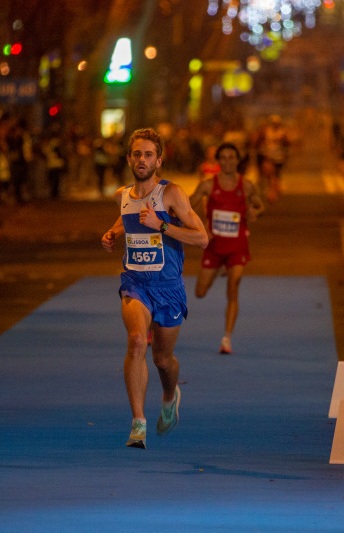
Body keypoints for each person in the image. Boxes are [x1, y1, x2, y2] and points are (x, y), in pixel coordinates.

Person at [101, 127, 208, 449]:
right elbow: (128, 218)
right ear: (129, 159)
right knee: (136, 342)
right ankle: (138, 422)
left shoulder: (171, 194)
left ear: (158, 160)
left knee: (163, 359)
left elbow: (201, 238)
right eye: (137, 154)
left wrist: (161, 225)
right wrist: (113, 232)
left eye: (148, 154)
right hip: (135, 282)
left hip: (168, 286)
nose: (142, 160)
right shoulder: (123, 195)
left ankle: (168, 394)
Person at [189, 142, 264, 354]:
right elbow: (186, 206)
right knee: (200, 292)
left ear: (238, 160)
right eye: (224, 157)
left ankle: (226, 339)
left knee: (234, 287)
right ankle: (220, 270)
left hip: (237, 246)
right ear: (218, 160)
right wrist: (199, 225)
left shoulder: (247, 186)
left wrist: (255, 212)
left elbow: (260, 205)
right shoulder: (207, 185)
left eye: (232, 157)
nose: (228, 161)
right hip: (213, 247)